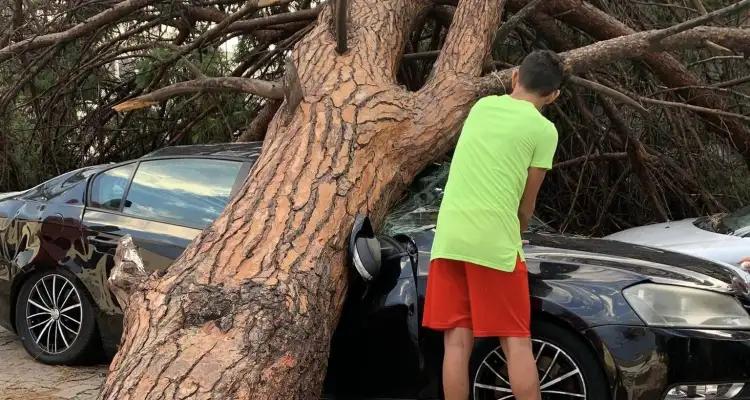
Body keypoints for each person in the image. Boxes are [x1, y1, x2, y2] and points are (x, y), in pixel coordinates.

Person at [422, 50, 564, 400]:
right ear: (553, 96)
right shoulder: (544, 130)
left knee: (456, 342)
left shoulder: (481, 108)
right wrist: (519, 229)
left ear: (516, 76)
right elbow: (527, 202)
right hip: (494, 242)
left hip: (450, 237)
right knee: (516, 342)